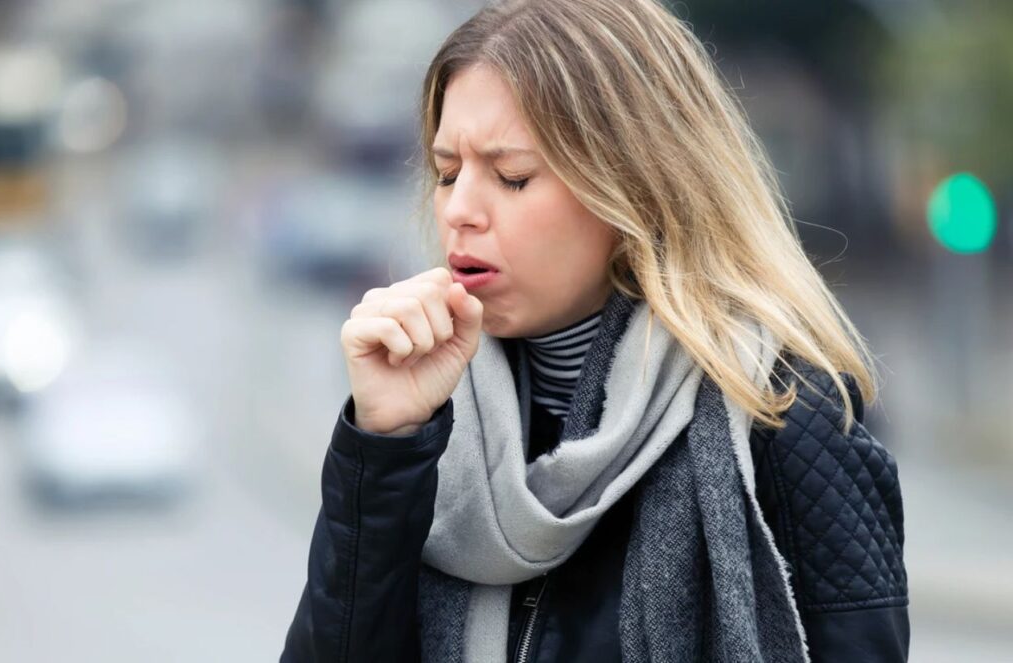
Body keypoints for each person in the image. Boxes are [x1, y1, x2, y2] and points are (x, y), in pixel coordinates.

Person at [280, 0, 909, 661]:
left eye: (512, 177)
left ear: (633, 186)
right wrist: (384, 444)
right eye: (447, 172)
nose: (460, 209)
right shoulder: (426, 416)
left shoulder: (787, 417)